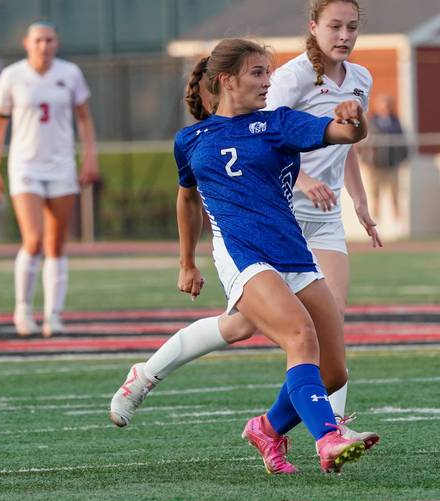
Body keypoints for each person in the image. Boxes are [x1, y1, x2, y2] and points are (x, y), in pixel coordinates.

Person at [107, 0, 379, 450]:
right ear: (226, 80)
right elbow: (187, 197)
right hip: (242, 250)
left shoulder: (276, 124)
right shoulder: (191, 139)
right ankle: (328, 436)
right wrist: (186, 263)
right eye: (257, 73)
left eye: (268, 73)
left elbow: (347, 136)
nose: (268, 81)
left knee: (331, 370)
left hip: (290, 241)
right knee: (299, 335)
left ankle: (267, 429)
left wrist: (354, 119)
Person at [0, 20, 99, 337]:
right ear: (27, 44)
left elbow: (84, 118)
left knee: (56, 243)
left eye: (49, 40)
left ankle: (53, 315)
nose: (43, 46)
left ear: (57, 43)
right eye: (38, 40)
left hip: (62, 165)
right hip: (25, 166)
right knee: (33, 239)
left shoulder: (70, 73)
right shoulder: (12, 76)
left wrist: (90, 156)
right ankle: (23, 309)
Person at [363, 94, 408, 223]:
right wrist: (367, 161)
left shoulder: (396, 122)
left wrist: (401, 159)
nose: (385, 108)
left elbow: (402, 142)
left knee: (396, 196)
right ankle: (376, 225)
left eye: (387, 105)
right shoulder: (370, 122)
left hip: (392, 165)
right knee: (375, 196)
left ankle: (399, 226)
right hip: (375, 166)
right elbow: (363, 144)